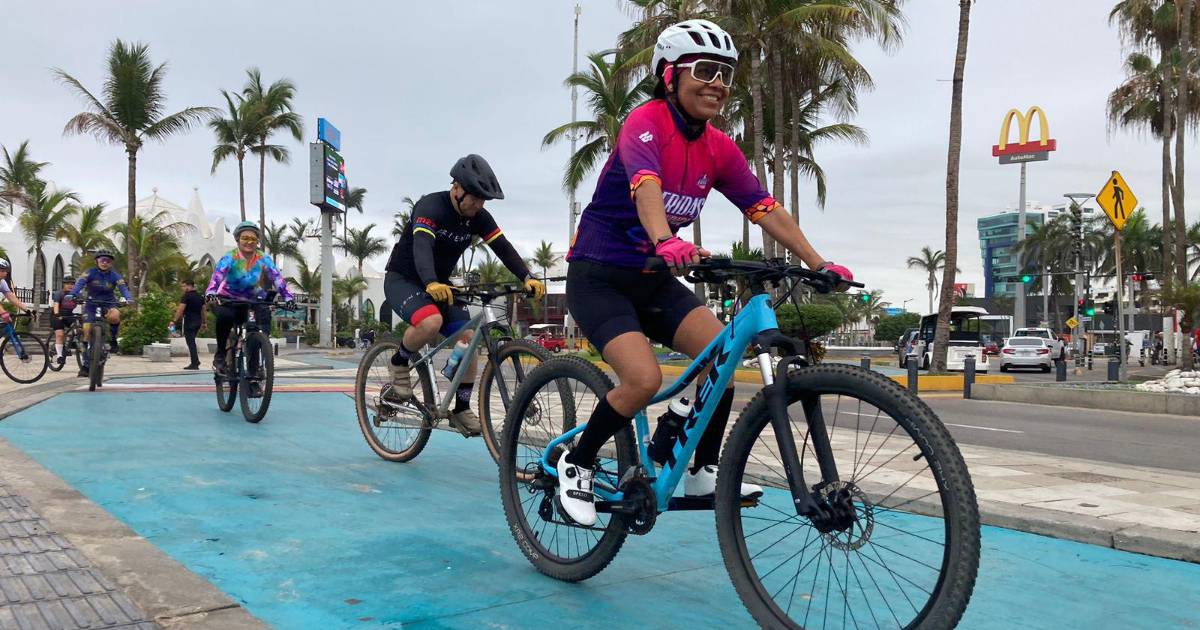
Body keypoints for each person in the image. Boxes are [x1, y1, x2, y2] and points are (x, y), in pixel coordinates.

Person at [556, 19, 854, 526]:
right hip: (599, 276)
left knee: (722, 362)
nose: (717, 83)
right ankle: (577, 462)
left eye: (725, 74)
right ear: (669, 75)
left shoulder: (718, 147)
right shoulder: (645, 123)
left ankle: (701, 470)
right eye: (704, 70)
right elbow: (646, 186)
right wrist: (665, 240)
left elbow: (763, 207)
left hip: (653, 279)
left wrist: (818, 263)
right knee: (643, 379)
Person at [383, 154, 544, 435]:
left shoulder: (479, 217)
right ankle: (399, 362)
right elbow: (422, 247)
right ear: (457, 188)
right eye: (476, 198)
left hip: (440, 285)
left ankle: (461, 408)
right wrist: (431, 281)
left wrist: (527, 276)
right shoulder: (431, 206)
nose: (479, 205)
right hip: (404, 279)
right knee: (430, 322)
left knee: (468, 340)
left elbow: (503, 248)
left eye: (484, 200)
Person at [205, 221, 295, 395]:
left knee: (258, 329)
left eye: (253, 239)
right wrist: (211, 292)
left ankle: (253, 375)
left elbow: (277, 278)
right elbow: (217, 277)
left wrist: (288, 297)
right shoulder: (230, 257)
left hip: (253, 300)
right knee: (225, 317)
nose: (249, 242)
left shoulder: (263, 258)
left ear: (257, 241)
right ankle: (221, 355)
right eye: (245, 238)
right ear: (238, 239)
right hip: (228, 299)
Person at [68, 250, 131, 377]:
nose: (105, 263)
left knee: (115, 316)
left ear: (111, 263)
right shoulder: (90, 272)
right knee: (86, 330)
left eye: (108, 261)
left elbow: (123, 288)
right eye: (102, 260)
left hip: (108, 303)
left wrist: (128, 298)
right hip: (91, 304)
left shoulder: (115, 275)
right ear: (97, 261)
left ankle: (113, 340)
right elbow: (80, 283)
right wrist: (72, 294)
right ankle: (86, 365)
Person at [172, 278, 206, 370]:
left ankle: (195, 363)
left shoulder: (186, 296)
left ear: (189, 286)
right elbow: (203, 311)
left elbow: (180, 309)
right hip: (198, 322)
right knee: (192, 342)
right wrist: (204, 322)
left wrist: (174, 321)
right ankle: (195, 361)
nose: (182, 288)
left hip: (189, 322)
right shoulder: (200, 297)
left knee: (191, 343)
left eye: (183, 286)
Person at [50, 276, 80, 367]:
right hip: (57, 314)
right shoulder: (59, 293)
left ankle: (72, 342)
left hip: (69, 314)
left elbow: (83, 304)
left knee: (78, 326)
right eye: (68, 284)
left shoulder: (76, 294)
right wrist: (57, 314)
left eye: (72, 284)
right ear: (64, 284)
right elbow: (56, 305)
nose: (70, 286)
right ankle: (59, 356)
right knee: (60, 334)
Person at [0, 258, 34, 325]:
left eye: (6, 271)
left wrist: (26, 310)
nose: (6, 273)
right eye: (3, 271)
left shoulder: (2, 282)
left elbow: (11, 297)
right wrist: (3, 313)